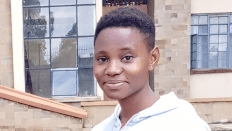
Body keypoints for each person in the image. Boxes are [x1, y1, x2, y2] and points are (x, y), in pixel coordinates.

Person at [92, 7, 211, 131]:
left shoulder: (183, 124)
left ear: (153, 58)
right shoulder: (101, 128)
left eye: (127, 57)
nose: (112, 70)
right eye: (103, 59)